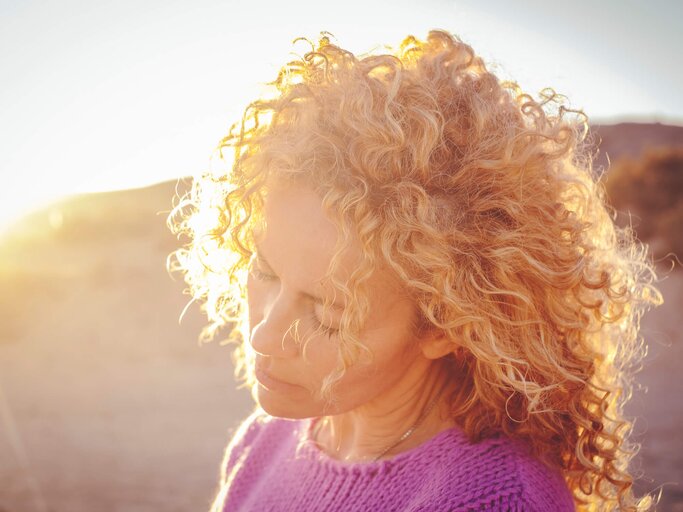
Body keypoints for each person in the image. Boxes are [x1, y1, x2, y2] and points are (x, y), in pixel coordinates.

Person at [167, 29, 662, 511]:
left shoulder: (496, 502)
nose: (264, 335)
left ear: (445, 323)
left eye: (328, 312)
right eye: (265, 271)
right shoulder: (267, 438)